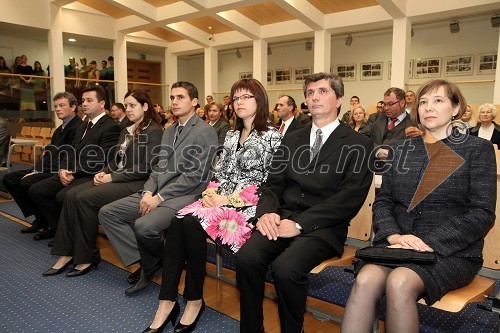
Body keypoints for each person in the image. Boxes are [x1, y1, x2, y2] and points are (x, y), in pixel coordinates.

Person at [342, 79, 496, 333]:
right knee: (365, 279)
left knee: (400, 282)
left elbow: (481, 212)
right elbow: (384, 201)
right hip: (399, 244)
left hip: (450, 251)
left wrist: (429, 243)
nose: (428, 108)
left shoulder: (476, 149)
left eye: (438, 101)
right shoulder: (401, 149)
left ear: (456, 108)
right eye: (423, 102)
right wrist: (393, 234)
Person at [236, 72, 373, 333]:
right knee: (247, 258)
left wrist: (298, 225)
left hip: (323, 227)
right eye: (310, 93)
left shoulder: (359, 143)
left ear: (339, 99)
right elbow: (273, 184)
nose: (314, 97)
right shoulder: (292, 138)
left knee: (286, 269)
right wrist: (266, 214)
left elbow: (348, 199)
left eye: (322, 91)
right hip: (282, 218)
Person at [142, 78, 282, 333]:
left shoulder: (272, 136)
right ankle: (168, 299)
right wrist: (210, 193)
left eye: (246, 97)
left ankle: (193, 300)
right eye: (236, 98)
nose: (239, 102)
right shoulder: (231, 135)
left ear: (259, 100)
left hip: (248, 207)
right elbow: (220, 174)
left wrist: (225, 199)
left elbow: (269, 185)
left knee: (190, 222)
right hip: (220, 202)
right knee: (178, 220)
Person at [98, 81, 218, 296]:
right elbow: (158, 167)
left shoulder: (205, 132)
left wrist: (159, 197)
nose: (174, 102)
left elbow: (195, 176)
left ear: (194, 102)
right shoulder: (169, 130)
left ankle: (160, 261)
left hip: (185, 194)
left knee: (144, 227)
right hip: (157, 190)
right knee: (108, 213)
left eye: (180, 97)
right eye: (172, 97)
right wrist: (147, 191)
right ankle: (152, 261)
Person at [42, 89, 163, 277]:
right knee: (72, 195)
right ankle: (67, 252)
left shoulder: (154, 131)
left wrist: (112, 177)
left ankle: (86, 256)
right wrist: (103, 172)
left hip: (138, 183)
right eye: (127, 105)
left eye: (133, 105)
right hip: (118, 177)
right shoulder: (127, 130)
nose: (128, 110)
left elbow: (145, 167)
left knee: (84, 198)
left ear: (145, 106)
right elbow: (116, 160)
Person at [28, 85, 121, 240]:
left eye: (89, 100)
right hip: (72, 171)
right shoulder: (84, 125)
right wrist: (63, 169)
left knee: (62, 196)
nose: (84, 104)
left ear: (102, 103)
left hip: (90, 174)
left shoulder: (110, 126)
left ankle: (69, 236)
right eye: (83, 100)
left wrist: (73, 173)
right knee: (37, 190)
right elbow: (71, 150)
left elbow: (100, 158)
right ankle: (57, 227)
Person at [2, 92, 83, 233]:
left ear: (73, 107)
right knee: (9, 179)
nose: (57, 109)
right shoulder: (60, 129)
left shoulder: (78, 127)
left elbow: (69, 157)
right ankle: (40, 217)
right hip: (48, 167)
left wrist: (39, 172)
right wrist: (36, 170)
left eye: (62, 105)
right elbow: (49, 154)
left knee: (27, 182)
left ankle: (52, 224)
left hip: (59, 170)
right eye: (56, 106)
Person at [370, 87, 420, 161]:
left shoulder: (414, 123)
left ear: (402, 103)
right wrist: (378, 151)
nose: (386, 108)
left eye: (390, 104)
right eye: (385, 104)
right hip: (374, 168)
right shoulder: (375, 118)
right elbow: (363, 138)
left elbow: (414, 150)